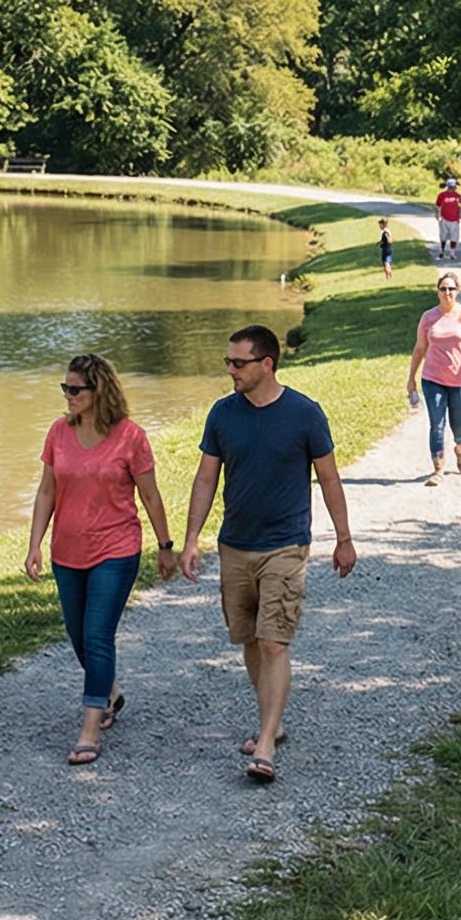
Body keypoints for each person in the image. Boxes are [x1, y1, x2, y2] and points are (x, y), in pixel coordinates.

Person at [179, 325, 358, 783]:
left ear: (266, 364)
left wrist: (344, 537)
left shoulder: (304, 414)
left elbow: (330, 478)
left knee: (275, 640)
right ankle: (270, 724)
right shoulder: (222, 415)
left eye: (238, 363)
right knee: (251, 640)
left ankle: (264, 742)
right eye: (228, 362)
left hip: (286, 543)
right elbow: (205, 480)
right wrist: (192, 537)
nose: (231, 370)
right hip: (235, 544)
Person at [24, 354, 174, 766]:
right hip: (67, 550)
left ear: (99, 391)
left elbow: (150, 495)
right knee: (77, 634)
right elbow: (46, 493)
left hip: (116, 548)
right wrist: (34, 543)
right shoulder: (58, 432)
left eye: (76, 390)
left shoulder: (131, 437)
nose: (68, 396)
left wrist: (165, 545)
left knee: (96, 634)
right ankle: (108, 691)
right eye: (65, 389)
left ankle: (90, 729)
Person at [405, 272, 461, 484]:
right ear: (437, 291)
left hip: (460, 381)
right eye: (443, 289)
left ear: (457, 291)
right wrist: (411, 378)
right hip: (432, 379)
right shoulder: (428, 317)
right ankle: (438, 469)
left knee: (460, 426)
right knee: (437, 424)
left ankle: (460, 449)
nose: (447, 293)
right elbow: (420, 348)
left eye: (451, 289)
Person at [433, 181, 461, 261]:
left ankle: (452, 254)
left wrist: (460, 192)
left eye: (454, 186)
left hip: (455, 220)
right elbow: (437, 206)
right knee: (443, 237)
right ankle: (442, 251)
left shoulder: (457, 195)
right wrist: (438, 215)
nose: (454, 188)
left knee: (454, 237)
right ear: (449, 186)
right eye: (453, 186)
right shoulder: (442, 195)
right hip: (444, 219)